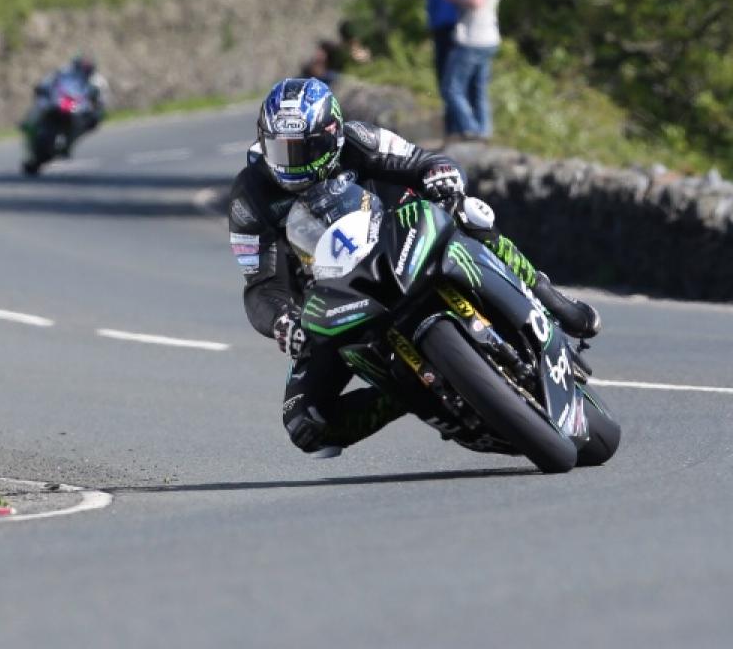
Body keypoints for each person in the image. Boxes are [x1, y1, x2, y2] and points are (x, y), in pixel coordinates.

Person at [228, 77, 601, 457]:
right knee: (304, 422)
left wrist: (442, 178)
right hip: (334, 297)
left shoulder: (359, 139)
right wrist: (282, 321)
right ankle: (407, 391)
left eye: (307, 148)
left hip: (400, 239)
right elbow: (261, 284)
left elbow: (423, 161)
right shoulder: (250, 198)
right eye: (283, 150)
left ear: (333, 134)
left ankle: (549, 299)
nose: (295, 162)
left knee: (471, 213)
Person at [441, 0, 504, 140]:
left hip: (474, 38)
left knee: (452, 88)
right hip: (484, 37)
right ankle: (484, 132)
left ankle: (473, 131)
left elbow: (477, 0)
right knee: (478, 90)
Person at [418, 0, 469, 136]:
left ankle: (463, 129)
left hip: (452, 30)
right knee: (443, 81)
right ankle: (452, 130)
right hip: (440, 29)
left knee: (452, 82)